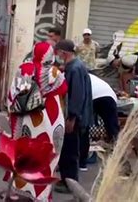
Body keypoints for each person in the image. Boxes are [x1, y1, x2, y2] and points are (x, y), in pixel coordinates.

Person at [6, 42, 68, 201]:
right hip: (48, 121)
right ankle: (41, 195)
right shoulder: (54, 73)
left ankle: (17, 190)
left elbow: (12, 95)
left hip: (25, 118)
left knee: (23, 154)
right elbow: (61, 94)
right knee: (46, 157)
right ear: (50, 55)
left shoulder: (23, 69)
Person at [54, 40, 93, 193]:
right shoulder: (74, 66)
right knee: (67, 149)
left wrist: (72, 118)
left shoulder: (75, 69)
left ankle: (69, 182)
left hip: (74, 117)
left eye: (58, 52)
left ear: (64, 52)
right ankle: (67, 179)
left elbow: (76, 95)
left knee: (69, 150)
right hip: (74, 115)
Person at [79, 74, 120, 171]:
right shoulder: (84, 73)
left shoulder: (71, 73)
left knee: (83, 127)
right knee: (113, 130)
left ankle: (82, 162)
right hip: (109, 96)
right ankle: (120, 159)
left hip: (95, 96)